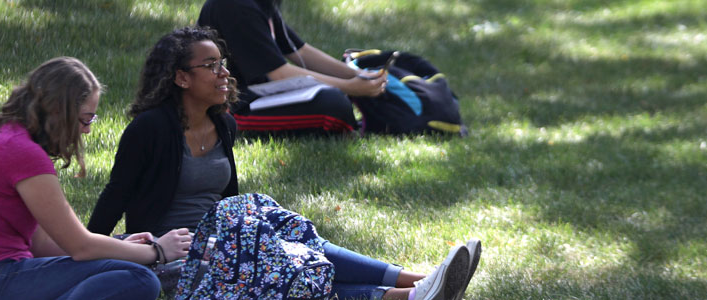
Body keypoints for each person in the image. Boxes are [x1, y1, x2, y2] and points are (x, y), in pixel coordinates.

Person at [86, 27, 480, 300]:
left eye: (222, 63)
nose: (224, 73)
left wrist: (248, 230)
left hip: (227, 237)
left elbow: (228, 200)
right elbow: (114, 196)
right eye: (210, 66)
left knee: (294, 241)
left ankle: (421, 282)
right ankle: (414, 293)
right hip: (178, 254)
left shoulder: (221, 121)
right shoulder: (149, 129)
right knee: (285, 269)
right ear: (181, 78)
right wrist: (87, 253)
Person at [0, 57, 192, 300]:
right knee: (140, 278)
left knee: (124, 270)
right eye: (86, 118)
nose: (87, 130)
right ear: (61, 112)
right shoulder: (22, 153)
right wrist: (157, 252)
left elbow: (43, 243)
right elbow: (80, 246)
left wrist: (118, 246)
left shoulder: (7, 136)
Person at [196, 0, 387, 135]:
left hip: (260, 93)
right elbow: (279, 73)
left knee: (334, 96)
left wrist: (359, 75)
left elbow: (300, 51)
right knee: (334, 104)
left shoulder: (261, 5)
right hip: (232, 106)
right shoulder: (236, 6)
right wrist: (351, 87)